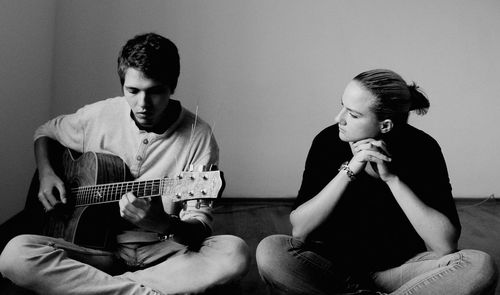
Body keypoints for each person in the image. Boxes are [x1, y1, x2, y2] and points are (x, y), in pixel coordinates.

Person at [0, 32, 249, 295]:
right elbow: (45, 133)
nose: (143, 104)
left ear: (172, 86)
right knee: (15, 255)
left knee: (234, 253)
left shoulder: (199, 136)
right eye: (133, 91)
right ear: (123, 85)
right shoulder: (99, 115)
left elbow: (198, 231)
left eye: (155, 92)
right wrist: (47, 174)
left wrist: (163, 224)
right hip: (94, 250)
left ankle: (99, 288)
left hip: (164, 255)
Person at [256, 69, 498, 295]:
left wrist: (392, 179)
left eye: (353, 114)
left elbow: (444, 245)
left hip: (401, 271)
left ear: (385, 125)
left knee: (479, 265)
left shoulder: (423, 149)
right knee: (271, 251)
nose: (339, 118)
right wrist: (350, 169)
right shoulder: (327, 141)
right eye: (342, 107)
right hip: (334, 270)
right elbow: (300, 229)